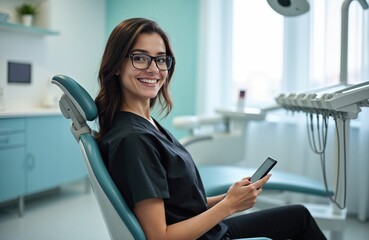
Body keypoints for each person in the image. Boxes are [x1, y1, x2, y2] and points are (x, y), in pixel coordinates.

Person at [95, 18, 327, 240]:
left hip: (208, 231)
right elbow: (159, 237)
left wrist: (228, 197)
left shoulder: (145, 123)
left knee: (298, 216)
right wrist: (229, 206)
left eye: (161, 59)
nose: (154, 69)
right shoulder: (135, 139)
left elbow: (179, 207)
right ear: (116, 65)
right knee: (300, 220)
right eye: (140, 58)